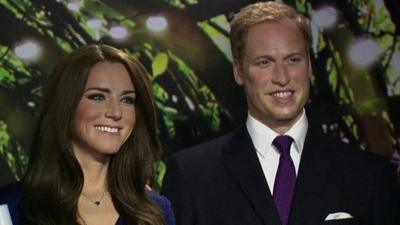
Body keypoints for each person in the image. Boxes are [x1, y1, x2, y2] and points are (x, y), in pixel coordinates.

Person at [161, 2, 400, 225]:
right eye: (264, 63)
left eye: (293, 60)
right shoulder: (191, 176)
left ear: (308, 66)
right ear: (239, 72)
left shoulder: (369, 175)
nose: (282, 78)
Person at [0, 44, 175, 225]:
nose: (116, 113)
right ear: (66, 104)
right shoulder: (10, 207)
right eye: (98, 97)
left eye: (127, 100)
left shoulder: (155, 211)